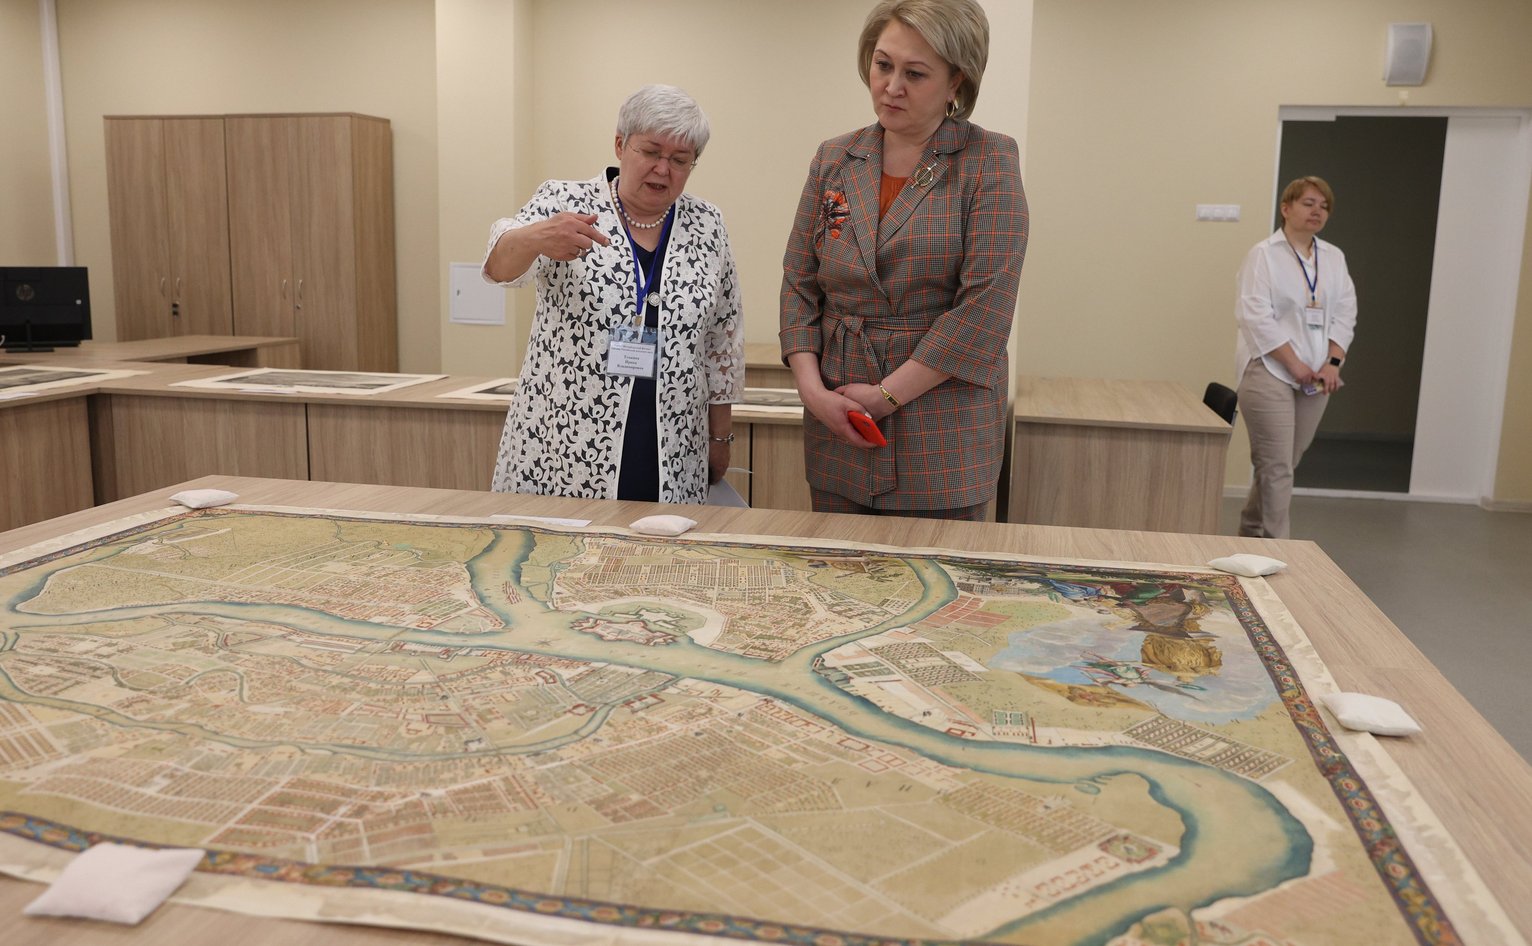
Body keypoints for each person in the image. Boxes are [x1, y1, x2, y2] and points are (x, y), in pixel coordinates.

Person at [779, 0, 1027, 521]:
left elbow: (984, 310)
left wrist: (886, 396)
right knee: (837, 567)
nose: (891, 87)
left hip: (941, 429)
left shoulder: (988, 160)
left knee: (934, 570)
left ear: (956, 81)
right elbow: (799, 283)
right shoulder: (834, 158)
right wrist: (812, 392)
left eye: (914, 74)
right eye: (883, 65)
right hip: (839, 417)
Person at [482, 85, 743, 505]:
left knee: (661, 545)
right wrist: (536, 237)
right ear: (620, 145)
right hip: (565, 444)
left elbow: (723, 337)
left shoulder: (707, 223)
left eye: (680, 160)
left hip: (674, 444)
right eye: (651, 152)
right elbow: (499, 270)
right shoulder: (564, 202)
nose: (663, 169)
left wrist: (720, 437)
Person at [1234, 175, 1358, 538]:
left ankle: (1251, 530)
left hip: (1317, 377)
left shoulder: (1333, 257)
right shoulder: (1264, 255)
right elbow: (1255, 316)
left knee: (1284, 463)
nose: (1317, 211)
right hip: (1268, 370)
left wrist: (1332, 364)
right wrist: (1294, 365)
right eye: (1308, 203)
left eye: (1324, 206)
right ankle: (1279, 550)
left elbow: (1345, 313)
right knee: (1276, 466)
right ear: (1286, 208)